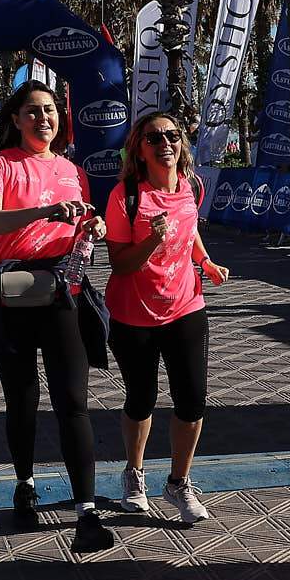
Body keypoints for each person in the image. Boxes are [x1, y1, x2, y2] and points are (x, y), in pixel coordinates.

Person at [0, 80, 114, 553]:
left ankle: (86, 515)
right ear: (15, 119)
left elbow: (86, 224)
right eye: (32, 112)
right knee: (23, 399)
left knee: (73, 401)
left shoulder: (73, 170)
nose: (43, 119)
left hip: (61, 293)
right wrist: (45, 211)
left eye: (50, 111)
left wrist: (92, 225)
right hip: (10, 295)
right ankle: (25, 483)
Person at [104, 112, 230, 524]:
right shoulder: (126, 195)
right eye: (154, 137)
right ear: (138, 149)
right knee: (140, 400)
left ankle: (178, 482)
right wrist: (152, 239)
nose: (166, 143)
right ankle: (134, 474)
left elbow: (189, 228)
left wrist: (206, 262)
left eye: (173, 135)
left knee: (192, 402)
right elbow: (120, 264)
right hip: (133, 314)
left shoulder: (191, 185)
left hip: (185, 307)